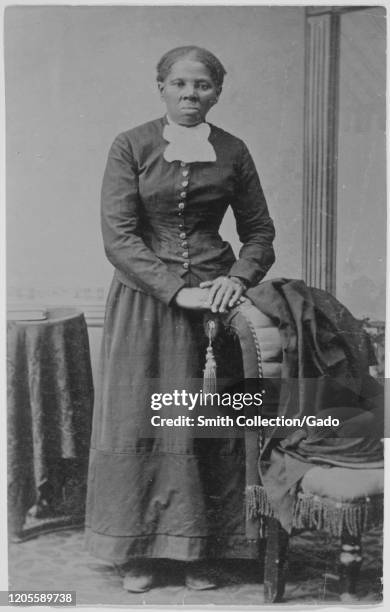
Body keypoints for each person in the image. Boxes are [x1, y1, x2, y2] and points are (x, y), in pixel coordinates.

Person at [85, 45, 275, 593]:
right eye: (181, 85)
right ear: (161, 87)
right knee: (142, 419)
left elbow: (260, 232)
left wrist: (235, 279)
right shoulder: (132, 145)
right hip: (145, 303)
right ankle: (138, 552)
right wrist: (175, 291)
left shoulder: (233, 150)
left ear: (218, 91)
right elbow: (119, 236)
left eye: (203, 86)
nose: (192, 95)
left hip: (216, 308)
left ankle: (203, 549)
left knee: (206, 424)